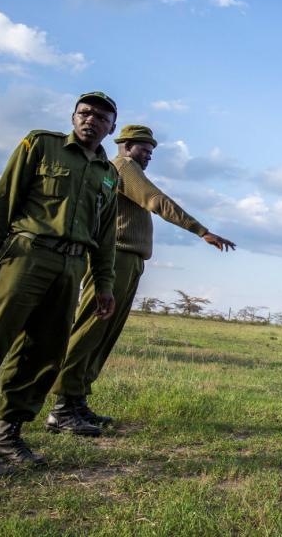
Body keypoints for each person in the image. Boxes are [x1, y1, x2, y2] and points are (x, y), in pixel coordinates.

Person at [0, 92, 121, 476]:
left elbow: (105, 237)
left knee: (44, 353)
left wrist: (104, 285)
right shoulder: (41, 145)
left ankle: (8, 435)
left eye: (100, 117)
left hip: (72, 266)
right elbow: (2, 198)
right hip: (27, 255)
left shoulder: (110, 175)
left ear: (111, 126)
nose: (90, 120)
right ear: (74, 116)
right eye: (84, 113)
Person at [45, 124, 235, 435]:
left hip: (129, 259)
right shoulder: (124, 167)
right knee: (92, 329)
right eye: (144, 149)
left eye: (151, 152)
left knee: (105, 332)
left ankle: (76, 401)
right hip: (116, 257)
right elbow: (156, 201)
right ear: (126, 145)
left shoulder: (121, 168)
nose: (148, 156)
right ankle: (63, 408)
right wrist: (201, 230)